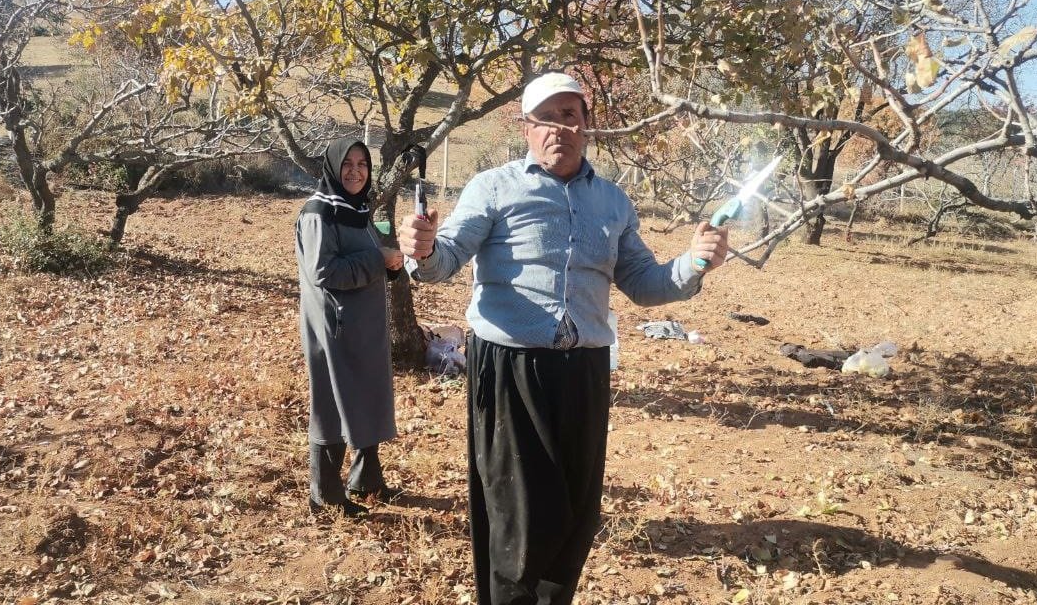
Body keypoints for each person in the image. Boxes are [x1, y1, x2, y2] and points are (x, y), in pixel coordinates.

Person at [398, 73, 729, 604]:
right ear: (527, 127)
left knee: (576, 513)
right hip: (509, 368)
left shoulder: (613, 202)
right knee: (517, 518)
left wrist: (693, 264)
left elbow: (643, 283)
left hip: (586, 372)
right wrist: (422, 249)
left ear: (586, 125)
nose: (559, 127)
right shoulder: (494, 187)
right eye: (546, 117)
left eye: (570, 115)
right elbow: (445, 259)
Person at [296, 137, 405, 518]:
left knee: (366, 396)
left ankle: (366, 477)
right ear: (332, 168)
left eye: (362, 164)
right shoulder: (319, 212)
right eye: (348, 164)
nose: (355, 171)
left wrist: (388, 265)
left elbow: (361, 260)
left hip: (363, 325)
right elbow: (324, 271)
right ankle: (324, 495)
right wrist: (379, 259)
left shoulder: (355, 209)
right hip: (334, 328)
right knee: (332, 401)